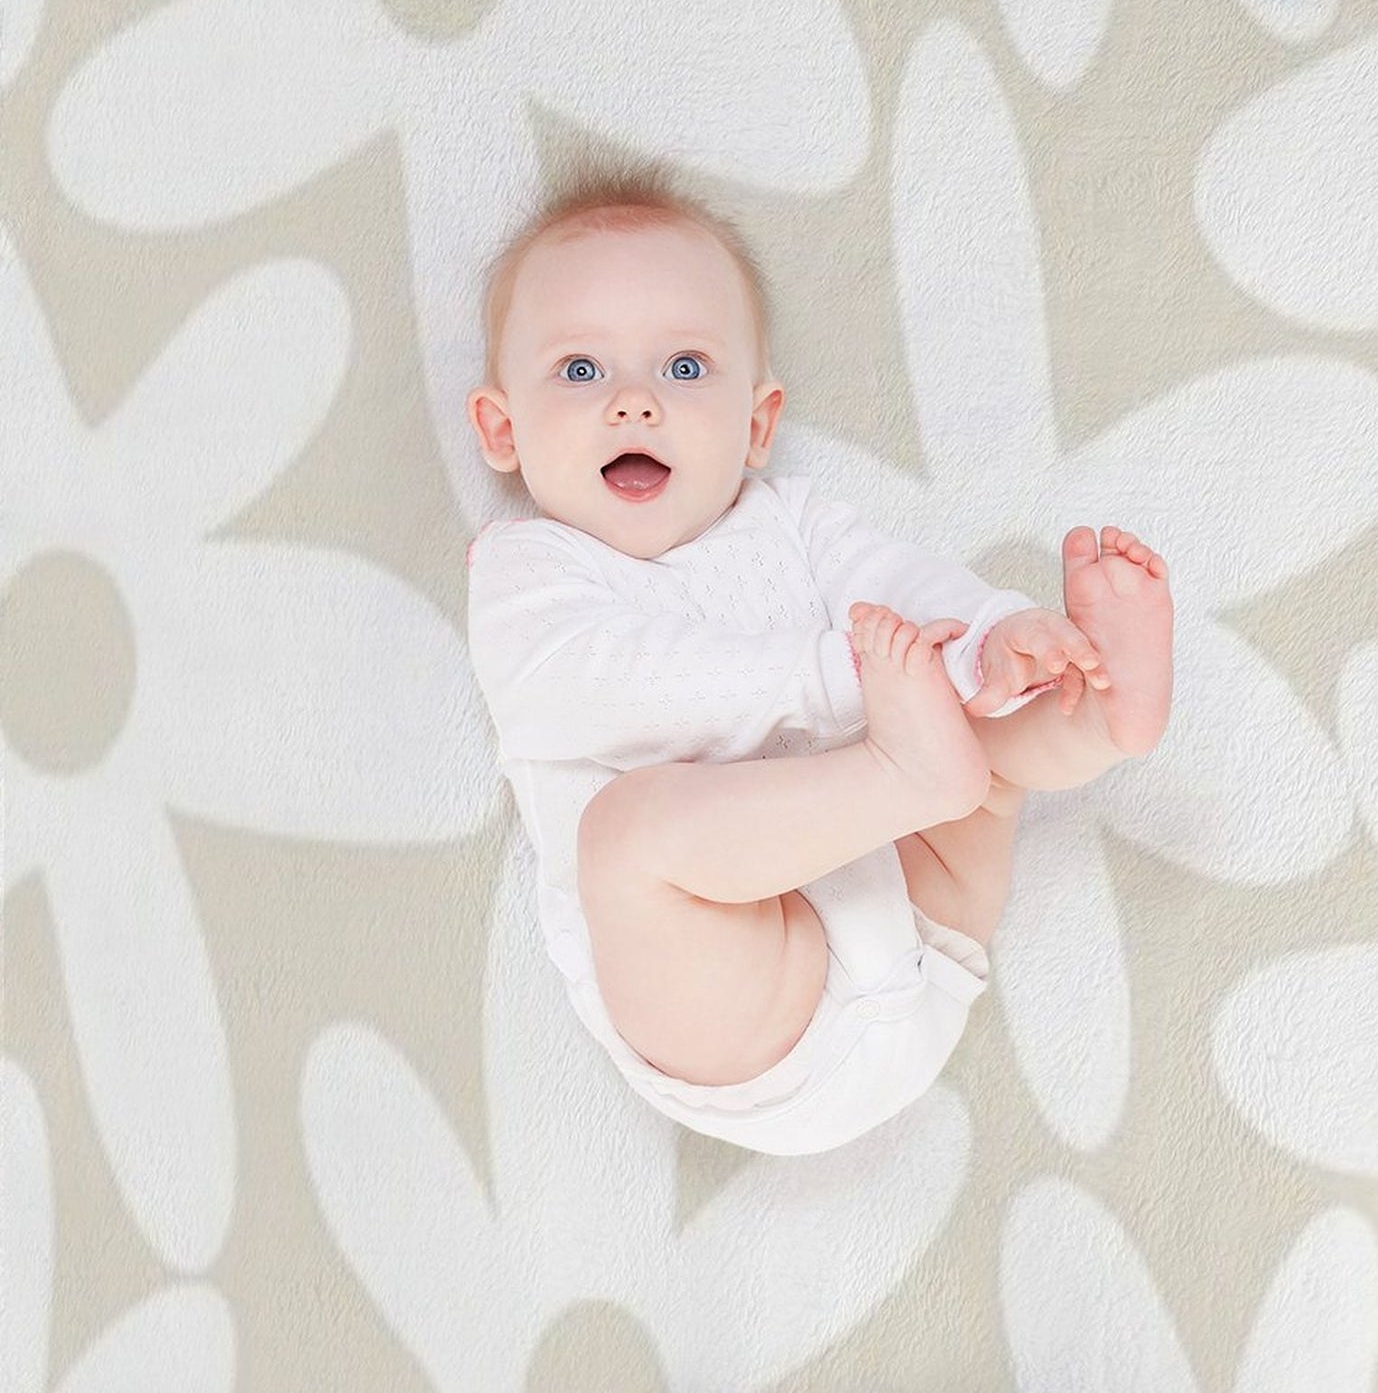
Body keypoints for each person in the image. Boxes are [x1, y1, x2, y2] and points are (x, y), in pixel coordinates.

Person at [465, 159, 1174, 1155]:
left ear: (757, 421)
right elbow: (614, 685)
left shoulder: (790, 523)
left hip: (925, 918)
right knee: (625, 837)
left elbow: (905, 591)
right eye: (580, 370)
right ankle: (910, 767)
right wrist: (844, 679)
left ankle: (1095, 710)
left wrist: (992, 640)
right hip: (751, 1009)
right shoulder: (526, 572)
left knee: (978, 717)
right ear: (501, 427)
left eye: (684, 368)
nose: (633, 403)